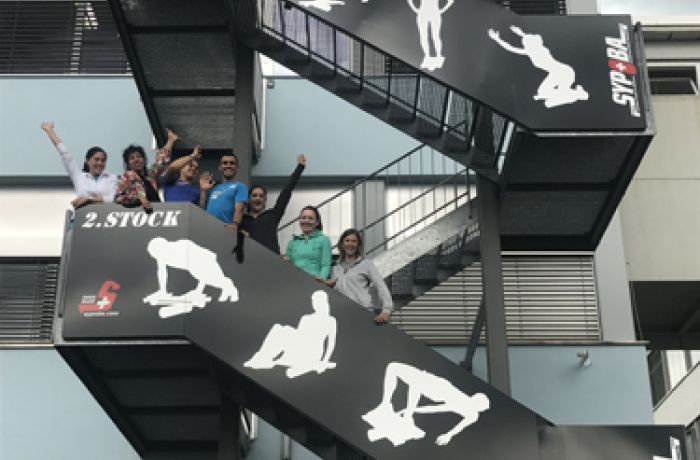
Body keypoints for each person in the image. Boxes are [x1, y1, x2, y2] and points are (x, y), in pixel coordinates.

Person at [362, 362, 490, 447]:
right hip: (436, 384)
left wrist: (448, 435)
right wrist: (414, 410)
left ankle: (399, 412)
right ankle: (392, 407)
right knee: (394, 369)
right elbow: (436, 408)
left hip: (436, 387)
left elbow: (439, 410)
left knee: (399, 372)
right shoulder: (468, 409)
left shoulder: (470, 412)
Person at [487, 26, 589, 108]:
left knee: (548, 96)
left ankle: (576, 94)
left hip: (562, 73)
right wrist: (520, 33)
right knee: (547, 99)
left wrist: (497, 39)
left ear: (530, 45)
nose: (524, 45)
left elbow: (511, 48)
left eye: (525, 44)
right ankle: (574, 94)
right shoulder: (538, 48)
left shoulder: (532, 51)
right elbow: (530, 39)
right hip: (561, 72)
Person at [244, 290, 336, 379]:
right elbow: (299, 337)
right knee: (278, 328)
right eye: (313, 301)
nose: (314, 304)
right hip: (300, 348)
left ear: (323, 302)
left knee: (283, 329)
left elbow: (331, 343)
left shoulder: (330, 321)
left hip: (313, 352)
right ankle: (263, 357)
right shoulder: (306, 318)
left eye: (317, 301)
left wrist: (324, 361)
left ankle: (263, 358)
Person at [40, 122, 117, 208]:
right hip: (82, 215)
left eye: (103, 160)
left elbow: (113, 199)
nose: (100, 163)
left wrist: (89, 199)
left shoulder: (111, 178)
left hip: (105, 214)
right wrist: (50, 131)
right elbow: (65, 155)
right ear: (87, 161)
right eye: (96, 159)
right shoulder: (79, 177)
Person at [241, 154, 306, 254]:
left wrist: (300, 167)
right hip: (250, 258)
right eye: (254, 195)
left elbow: (287, 191)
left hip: (272, 259)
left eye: (261, 196)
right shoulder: (242, 219)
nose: (258, 198)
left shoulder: (273, 215)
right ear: (249, 199)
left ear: (265, 200)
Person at [324, 229, 393, 324]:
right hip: (341, 314)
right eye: (347, 241)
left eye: (354, 241)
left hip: (363, 312)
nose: (350, 244)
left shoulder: (366, 264)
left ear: (358, 245)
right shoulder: (334, 267)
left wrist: (386, 310)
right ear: (342, 244)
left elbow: (381, 286)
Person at [115, 128, 178, 212]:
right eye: (132, 158)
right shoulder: (126, 177)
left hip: (156, 212)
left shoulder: (149, 176)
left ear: (144, 159)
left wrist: (170, 141)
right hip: (138, 215)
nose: (136, 160)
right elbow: (119, 198)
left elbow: (161, 160)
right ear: (128, 163)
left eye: (139, 156)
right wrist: (139, 198)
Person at [285, 206, 332, 280]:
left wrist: (321, 280)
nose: (306, 221)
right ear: (299, 221)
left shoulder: (324, 240)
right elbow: (287, 266)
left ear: (317, 222)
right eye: (303, 218)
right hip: (294, 282)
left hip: (314, 283)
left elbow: (326, 265)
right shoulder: (292, 242)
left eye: (310, 218)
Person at [205, 153, 248, 232]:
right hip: (208, 228)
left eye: (232, 163)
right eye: (225, 163)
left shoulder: (240, 186)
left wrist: (235, 224)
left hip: (226, 229)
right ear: (219, 167)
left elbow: (240, 209)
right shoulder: (213, 187)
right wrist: (203, 190)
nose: (228, 165)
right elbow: (203, 207)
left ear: (237, 167)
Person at [162, 144, 213, 208]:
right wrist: (193, 156)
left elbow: (201, 210)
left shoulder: (197, 190)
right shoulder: (170, 183)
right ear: (181, 167)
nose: (193, 169)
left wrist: (203, 191)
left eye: (196, 168)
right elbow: (172, 167)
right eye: (190, 165)